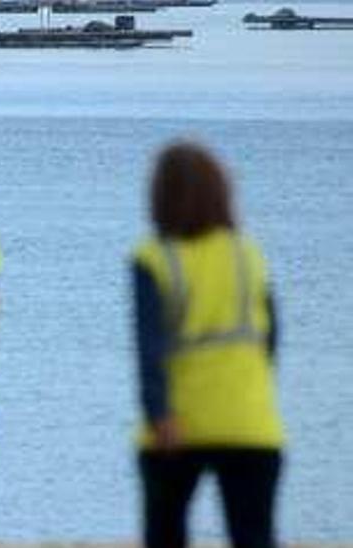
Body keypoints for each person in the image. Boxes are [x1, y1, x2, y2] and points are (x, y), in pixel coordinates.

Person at [132, 142, 283, 548]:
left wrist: (157, 413)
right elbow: (271, 337)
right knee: (254, 535)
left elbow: (149, 349)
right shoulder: (248, 254)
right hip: (250, 420)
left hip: (179, 422)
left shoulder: (154, 258)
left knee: (165, 533)